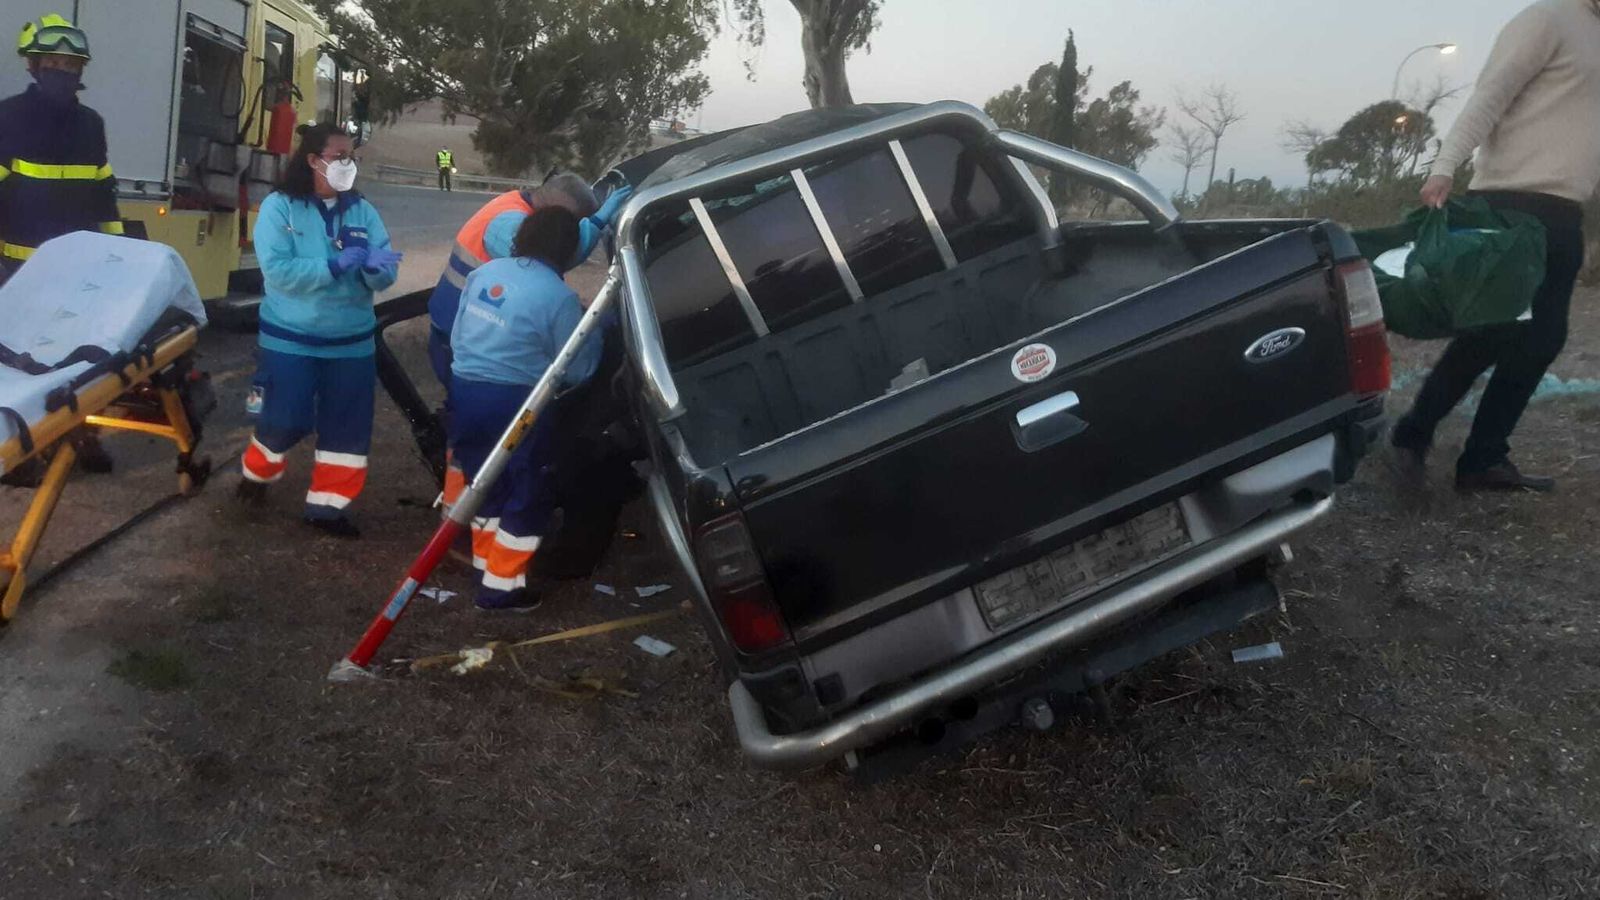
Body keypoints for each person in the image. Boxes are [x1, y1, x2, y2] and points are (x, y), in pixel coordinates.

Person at [1394, 0, 1600, 493]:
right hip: (1511, 203)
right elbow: (1491, 94)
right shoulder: (1548, 17)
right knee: (1491, 334)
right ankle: (1413, 435)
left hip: (1563, 210)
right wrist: (1444, 164)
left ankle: (1483, 458)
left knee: (1542, 338)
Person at [236, 123, 403, 538]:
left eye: (352, 157)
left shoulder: (362, 210)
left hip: (350, 343)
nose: (348, 165)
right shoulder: (280, 208)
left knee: (347, 430)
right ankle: (257, 471)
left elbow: (386, 271)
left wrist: (376, 271)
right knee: (282, 418)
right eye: (339, 156)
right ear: (313, 160)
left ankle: (328, 509)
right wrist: (332, 266)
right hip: (290, 339)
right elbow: (277, 271)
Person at [427, 175, 629, 510]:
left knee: (473, 439)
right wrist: (595, 223)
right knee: (489, 447)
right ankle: (467, 512)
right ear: (553, 214)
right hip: (467, 347)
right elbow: (555, 254)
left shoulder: (517, 213)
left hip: (467, 339)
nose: (570, 232)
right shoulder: (508, 225)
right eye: (570, 224)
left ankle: (467, 514)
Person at [448, 207, 602, 610]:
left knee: (484, 483)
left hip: (465, 392)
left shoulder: (486, 274)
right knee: (528, 488)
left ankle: (487, 565)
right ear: (567, 249)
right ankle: (501, 588)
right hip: (517, 405)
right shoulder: (558, 296)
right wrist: (596, 330)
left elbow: (458, 330)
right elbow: (578, 368)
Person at [0, 13, 123, 476]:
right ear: (34, 66)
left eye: (72, 66)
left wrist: (119, 256)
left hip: (80, 273)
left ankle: (80, 438)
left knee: (80, 363)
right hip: (17, 272)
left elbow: (103, 195)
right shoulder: (6, 116)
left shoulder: (91, 124)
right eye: (54, 63)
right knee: (19, 367)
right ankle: (22, 452)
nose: (64, 73)